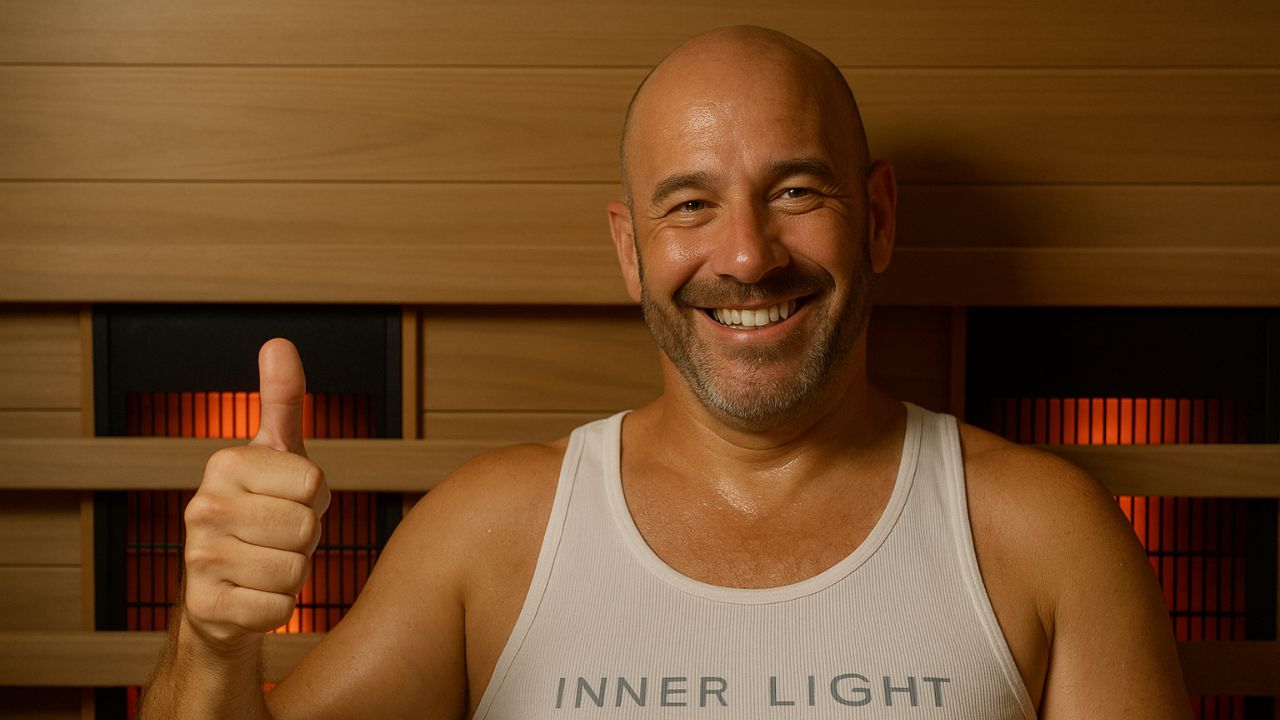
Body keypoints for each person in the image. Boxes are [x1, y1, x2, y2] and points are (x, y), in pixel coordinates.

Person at [140, 26, 1191, 720]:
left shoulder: (1046, 534)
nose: (744, 255)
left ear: (874, 219)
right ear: (630, 248)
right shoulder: (491, 530)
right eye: (689, 205)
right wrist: (212, 638)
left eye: (793, 191)